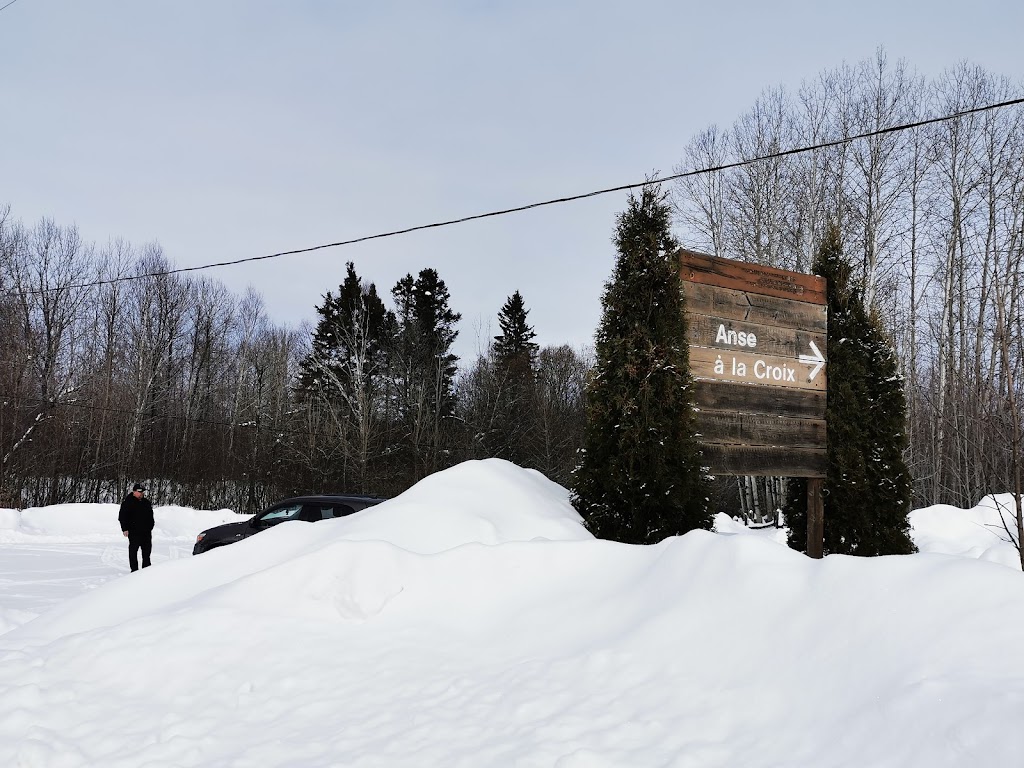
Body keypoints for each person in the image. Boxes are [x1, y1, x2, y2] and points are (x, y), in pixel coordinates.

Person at [118, 483, 154, 571]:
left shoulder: (146, 503)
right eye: (139, 492)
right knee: (133, 551)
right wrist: (125, 528)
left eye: (143, 492)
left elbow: (151, 516)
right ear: (134, 492)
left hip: (146, 532)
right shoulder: (127, 503)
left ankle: (146, 570)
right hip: (134, 532)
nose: (141, 493)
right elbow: (122, 517)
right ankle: (134, 571)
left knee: (147, 552)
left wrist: (150, 526)